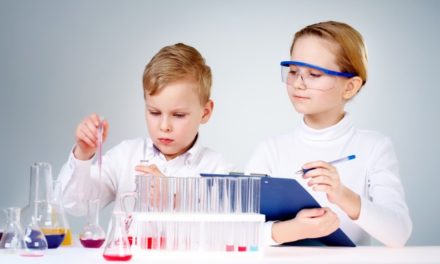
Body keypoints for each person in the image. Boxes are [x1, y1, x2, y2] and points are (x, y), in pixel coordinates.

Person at [245, 21, 412, 247]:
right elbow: (239, 230)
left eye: (314, 74)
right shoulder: (271, 149)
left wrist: (343, 195)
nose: (298, 84)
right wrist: (291, 230)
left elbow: (398, 234)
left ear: (350, 87)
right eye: (293, 71)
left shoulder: (374, 147)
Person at [58, 43, 233, 216]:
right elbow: (75, 204)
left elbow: (220, 234)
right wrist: (83, 154)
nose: (164, 126)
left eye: (178, 115)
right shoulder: (125, 156)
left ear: (205, 112)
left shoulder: (216, 169)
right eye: (154, 112)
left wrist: (174, 202)